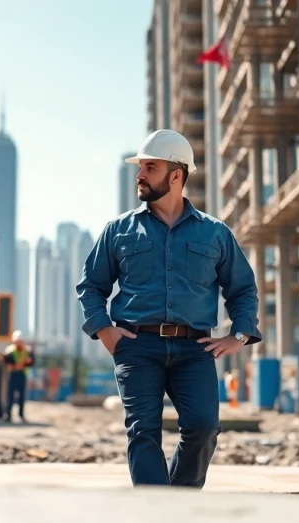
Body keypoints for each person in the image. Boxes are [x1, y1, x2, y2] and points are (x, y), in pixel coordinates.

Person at [76, 129, 262, 488]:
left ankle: (178, 504)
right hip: (136, 345)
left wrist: (239, 335)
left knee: (204, 428)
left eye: (150, 167)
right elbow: (91, 285)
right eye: (141, 167)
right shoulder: (119, 230)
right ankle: (156, 514)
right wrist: (105, 330)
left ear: (176, 175)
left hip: (194, 349)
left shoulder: (215, 233)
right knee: (143, 432)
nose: (140, 175)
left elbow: (243, 289)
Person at [3, 330, 34, 422]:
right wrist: (19, 365)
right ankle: (8, 414)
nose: (19, 343)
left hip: (22, 375)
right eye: (17, 341)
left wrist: (22, 364)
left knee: (21, 397)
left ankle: (21, 414)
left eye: (20, 341)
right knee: (10, 396)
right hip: (13, 374)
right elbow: (7, 362)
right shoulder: (10, 351)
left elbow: (31, 362)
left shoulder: (27, 351)